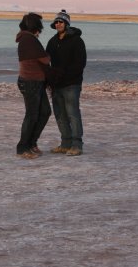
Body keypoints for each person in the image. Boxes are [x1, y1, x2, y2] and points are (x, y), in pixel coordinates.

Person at [45, 9, 86, 156]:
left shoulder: (77, 41)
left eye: (60, 22)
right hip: (56, 85)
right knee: (60, 114)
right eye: (56, 22)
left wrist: (64, 76)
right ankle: (65, 143)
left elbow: (80, 64)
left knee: (72, 114)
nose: (58, 24)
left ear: (66, 23)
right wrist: (49, 78)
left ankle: (77, 145)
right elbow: (46, 61)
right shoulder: (52, 41)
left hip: (71, 85)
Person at [15, 12, 52, 159]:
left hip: (36, 82)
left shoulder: (27, 39)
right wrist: (48, 56)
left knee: (44, 112)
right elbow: (44, 59)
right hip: (30, 82)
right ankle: (23, 147)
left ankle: (31, 143)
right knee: (32, 115)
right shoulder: (29, 40)